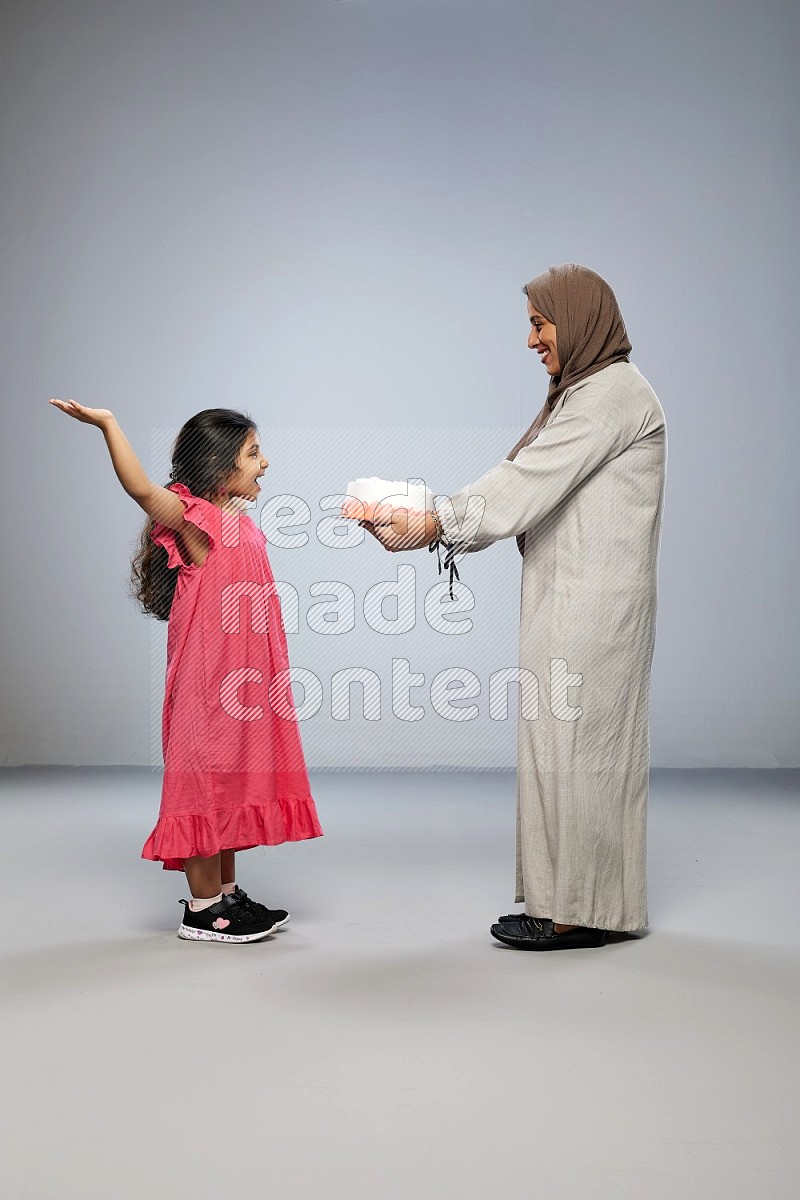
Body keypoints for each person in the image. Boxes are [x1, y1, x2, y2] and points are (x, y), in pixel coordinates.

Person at [363, 264, 666, 951]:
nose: (531, 340)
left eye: (539, 323)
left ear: (578, 318)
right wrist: (431, 520)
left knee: (580, 752)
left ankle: (581, 913)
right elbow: (527, 484)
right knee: (567, 750)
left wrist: (432, 522)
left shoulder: (609, 396)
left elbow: (526, 480)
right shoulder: (587, 393)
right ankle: (573, 902)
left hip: (594, 607)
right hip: (572, 596)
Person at [48, 400, 323, 943]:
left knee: (230, 783)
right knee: (203, 786)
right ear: (222, 470)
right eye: (253, 453)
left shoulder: (237, 523)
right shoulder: (197, 522)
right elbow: (144, 491)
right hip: (206, 687)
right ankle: (202, 910)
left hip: (243, 687)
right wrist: (109, 424)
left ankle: (225, 894)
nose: (264, 463)